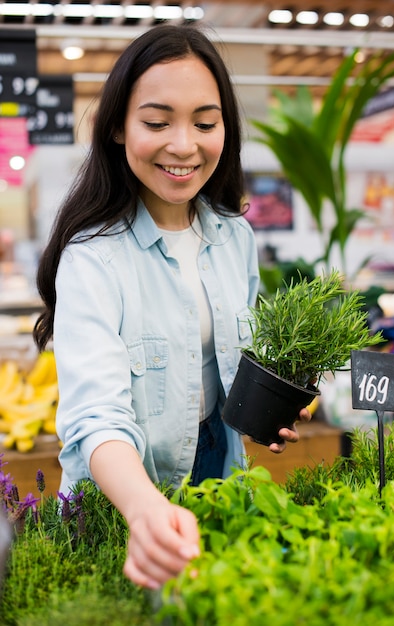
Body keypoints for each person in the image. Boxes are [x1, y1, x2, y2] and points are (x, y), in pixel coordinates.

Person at [33, 24, 311, 591]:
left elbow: (241, 353)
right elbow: (96, 419)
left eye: (205, 123)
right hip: (120, 493)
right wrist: (143, 510)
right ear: (117, 127)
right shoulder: (94, 259)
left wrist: (274, 405)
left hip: (219, 465)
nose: (184, 145)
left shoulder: (234, 237)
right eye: (157, 122)